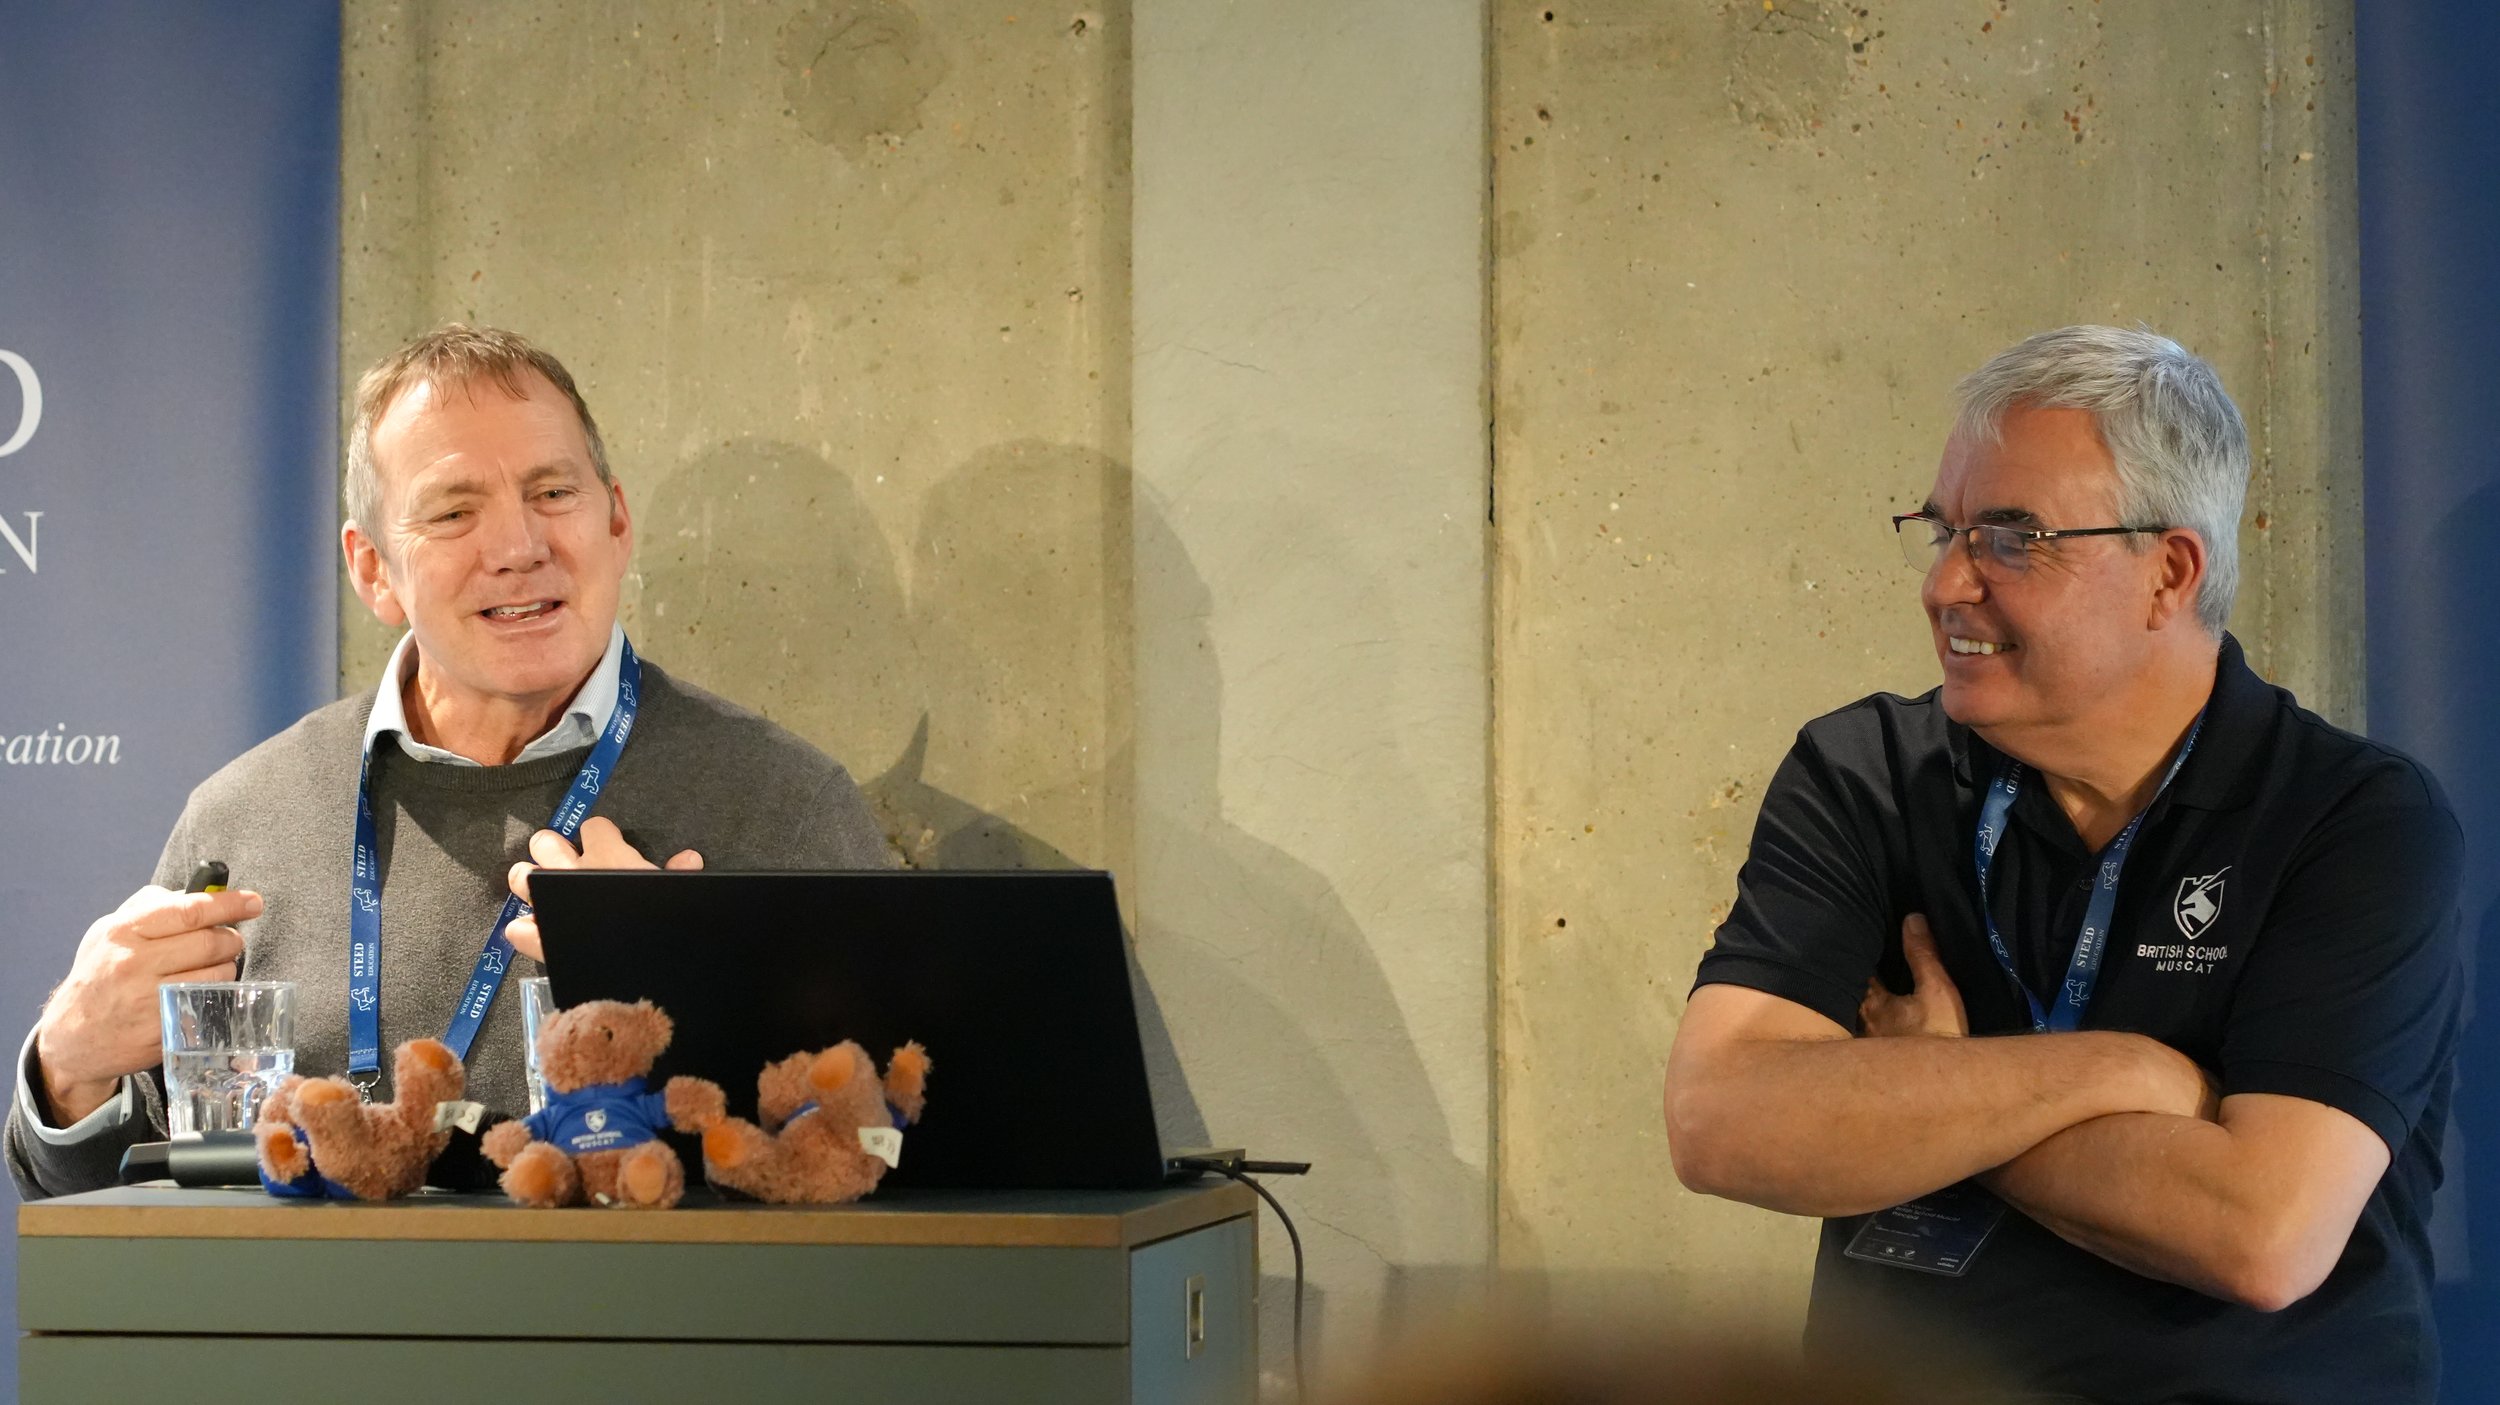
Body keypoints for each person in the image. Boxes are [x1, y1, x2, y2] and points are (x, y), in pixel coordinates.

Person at [1663, 326, 2461, 1403]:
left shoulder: (2353, 819)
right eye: (1942, 530)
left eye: (2011, 538)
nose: (1945, 583)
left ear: (2168, 572)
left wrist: (1931, 1085)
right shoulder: (1866, 771)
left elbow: (2263, 1232)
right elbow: (1720, 1122)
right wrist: (2114, 1071)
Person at [8, 325, 891, 1198]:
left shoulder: (786, 804)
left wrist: (694, 1004)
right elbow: (107, 1200)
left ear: (616, 521)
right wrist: (70, 1066)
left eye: (552, 492)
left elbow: (896, 1167)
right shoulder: (242, 819)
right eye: (454, 512)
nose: (518, 546)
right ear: (373, 569)